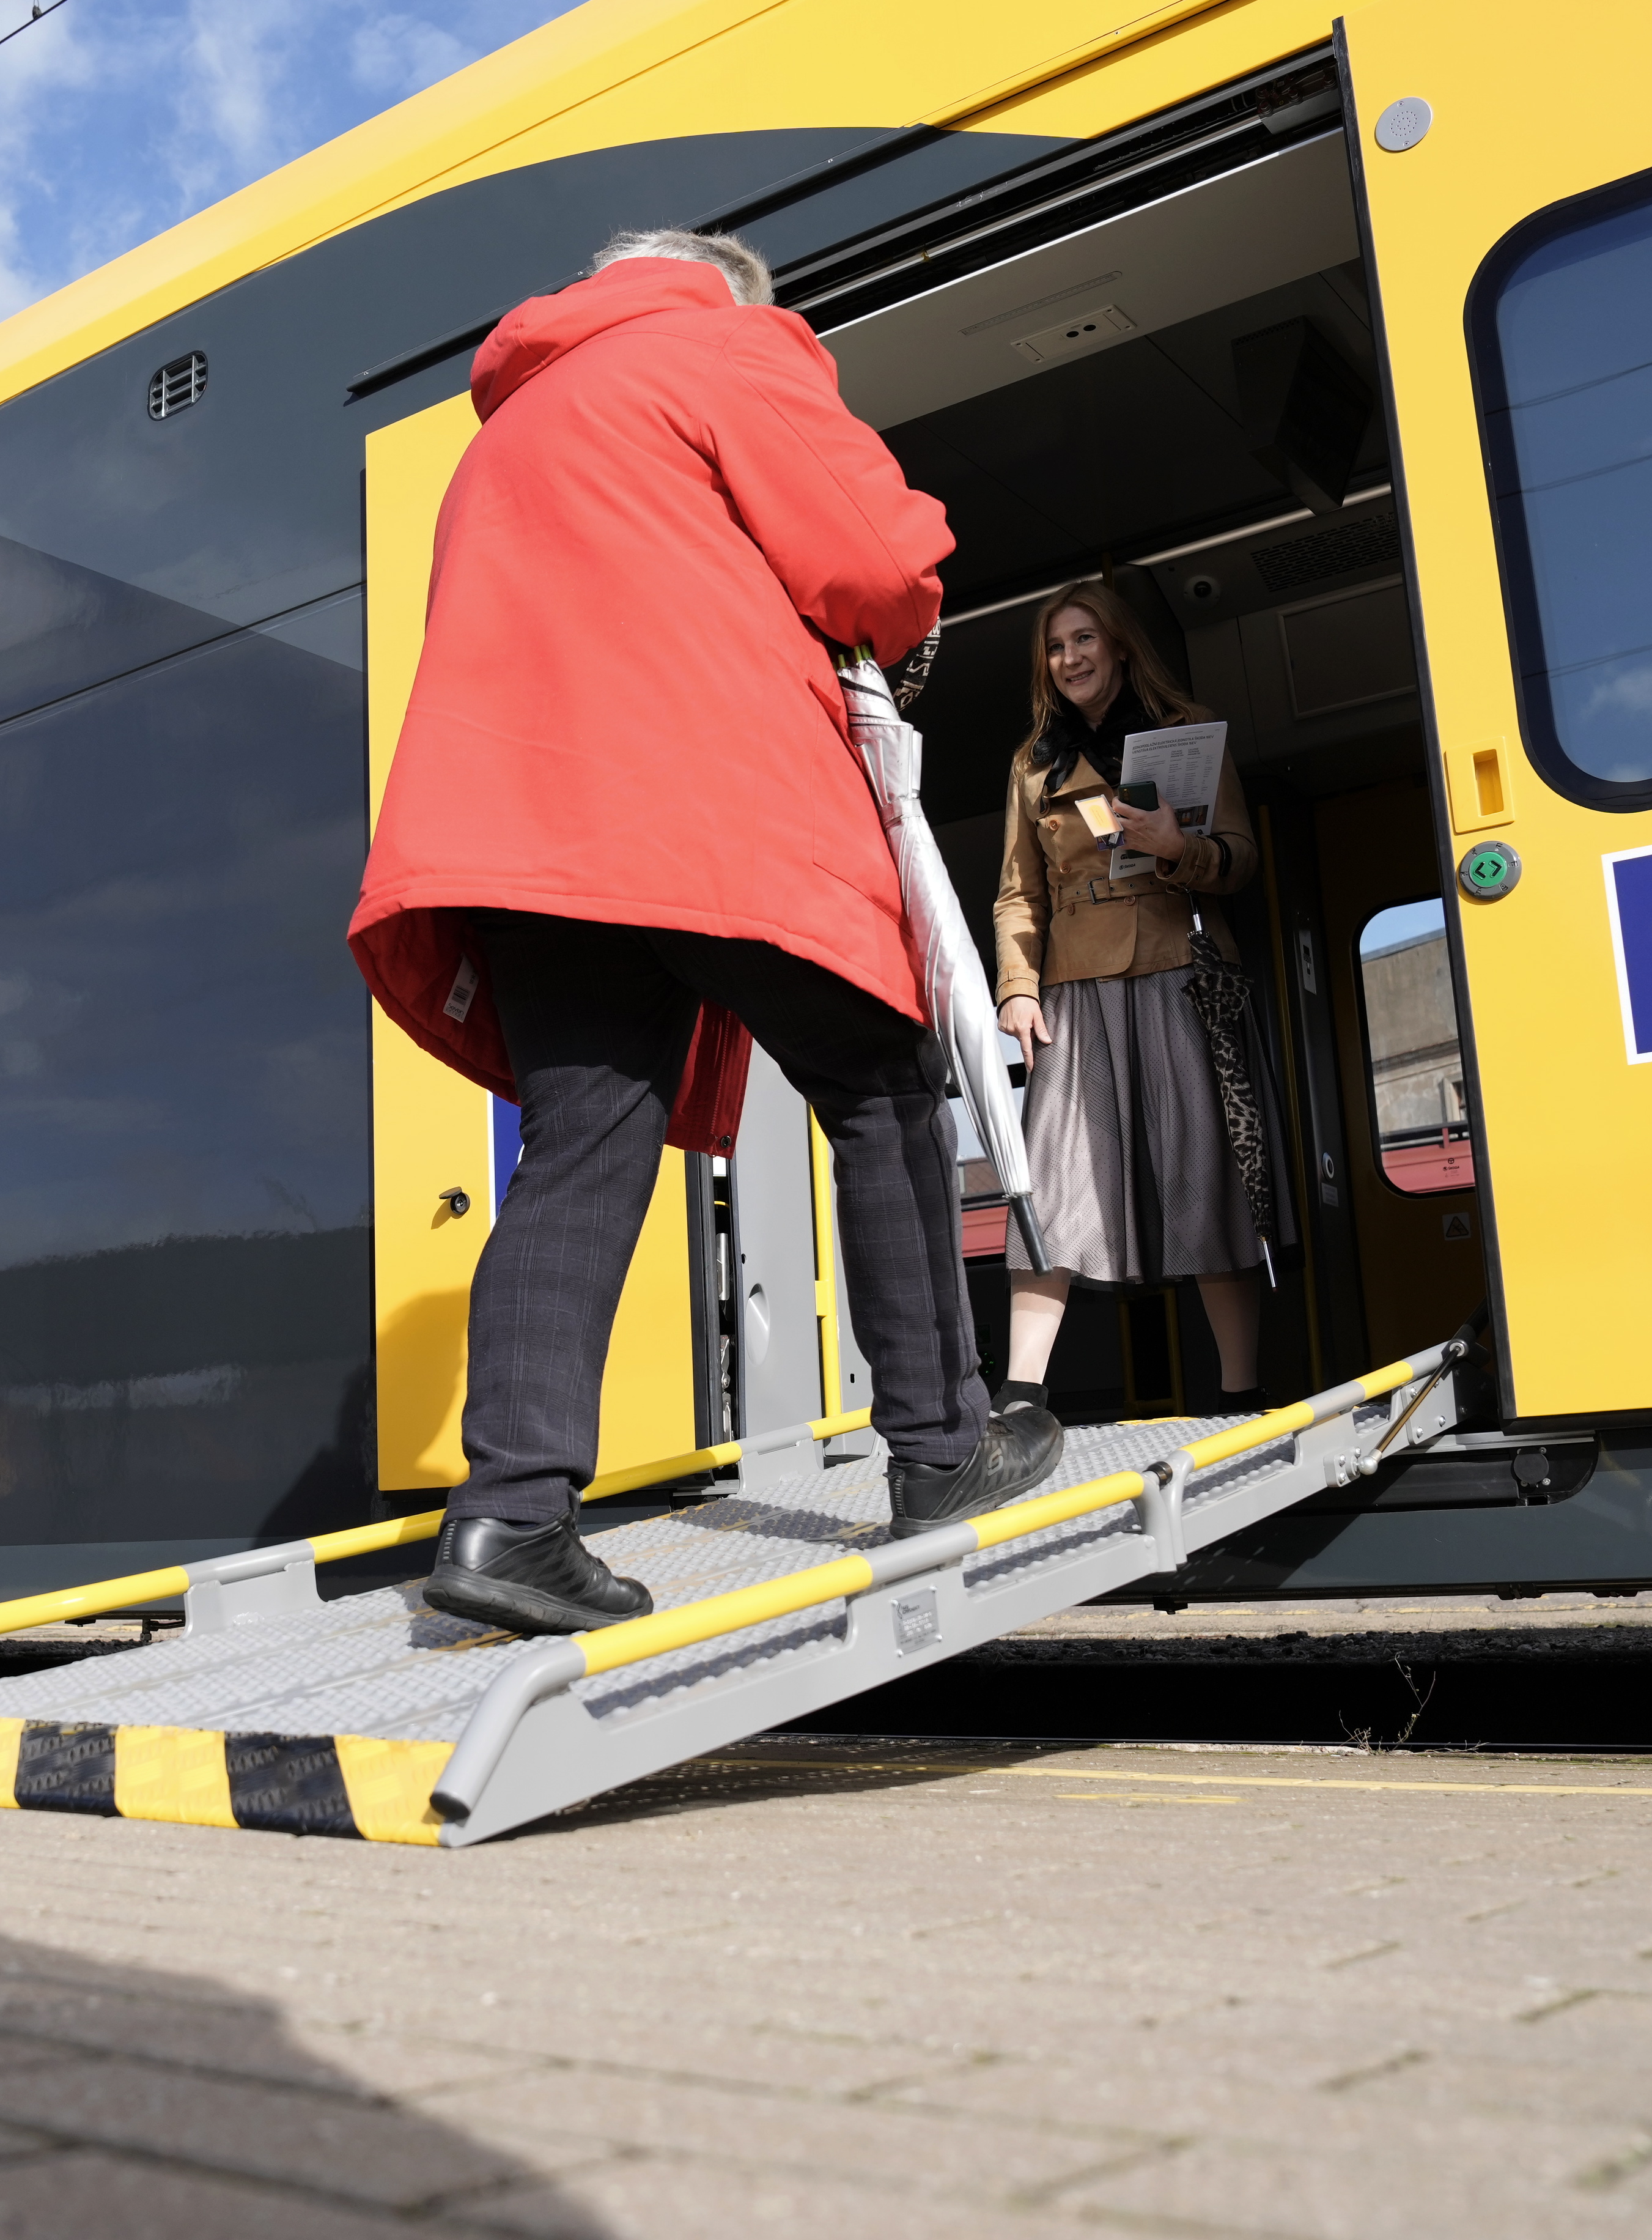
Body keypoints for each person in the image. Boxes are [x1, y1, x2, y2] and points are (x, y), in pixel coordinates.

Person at [348, 227, 1067, 1638]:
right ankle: (942, 1447)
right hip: (703, 801)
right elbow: (875, 557)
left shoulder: (500, 434)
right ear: (729, 284)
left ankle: (514, 1516)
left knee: (578, 1154)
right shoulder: (727, 343)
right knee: (880, 1081)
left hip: (523, 836)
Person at [990, 579, 1271, 1412]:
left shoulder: (1188, 736)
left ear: (1117, 644)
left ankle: (1239, 1393)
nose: (1069, 658)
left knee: (1204, 1170)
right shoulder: (1033, 763)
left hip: (1177, 971)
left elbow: (1242, 859)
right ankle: (1021, 1398)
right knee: (1051, 1180)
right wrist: (1017, 989)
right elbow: (1017, 893)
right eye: (1055, 646)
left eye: (1083, 640)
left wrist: (1177, 846)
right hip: (1074, 989)